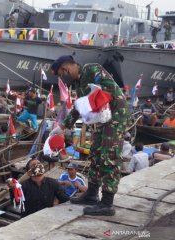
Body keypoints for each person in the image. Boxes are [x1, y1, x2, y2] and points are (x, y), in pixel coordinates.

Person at [52, 55, 129, 216]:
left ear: (66, 68)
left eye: (61, 74)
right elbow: (79, 107)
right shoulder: (78, 84)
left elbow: (110, 90)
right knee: (95, 153)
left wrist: (95, 93)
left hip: (115, 114)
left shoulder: (91, 69)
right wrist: (63, 126)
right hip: (101, 118)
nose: (62, 78)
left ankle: (107, 203)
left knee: (109, 156)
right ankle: (92, 194)